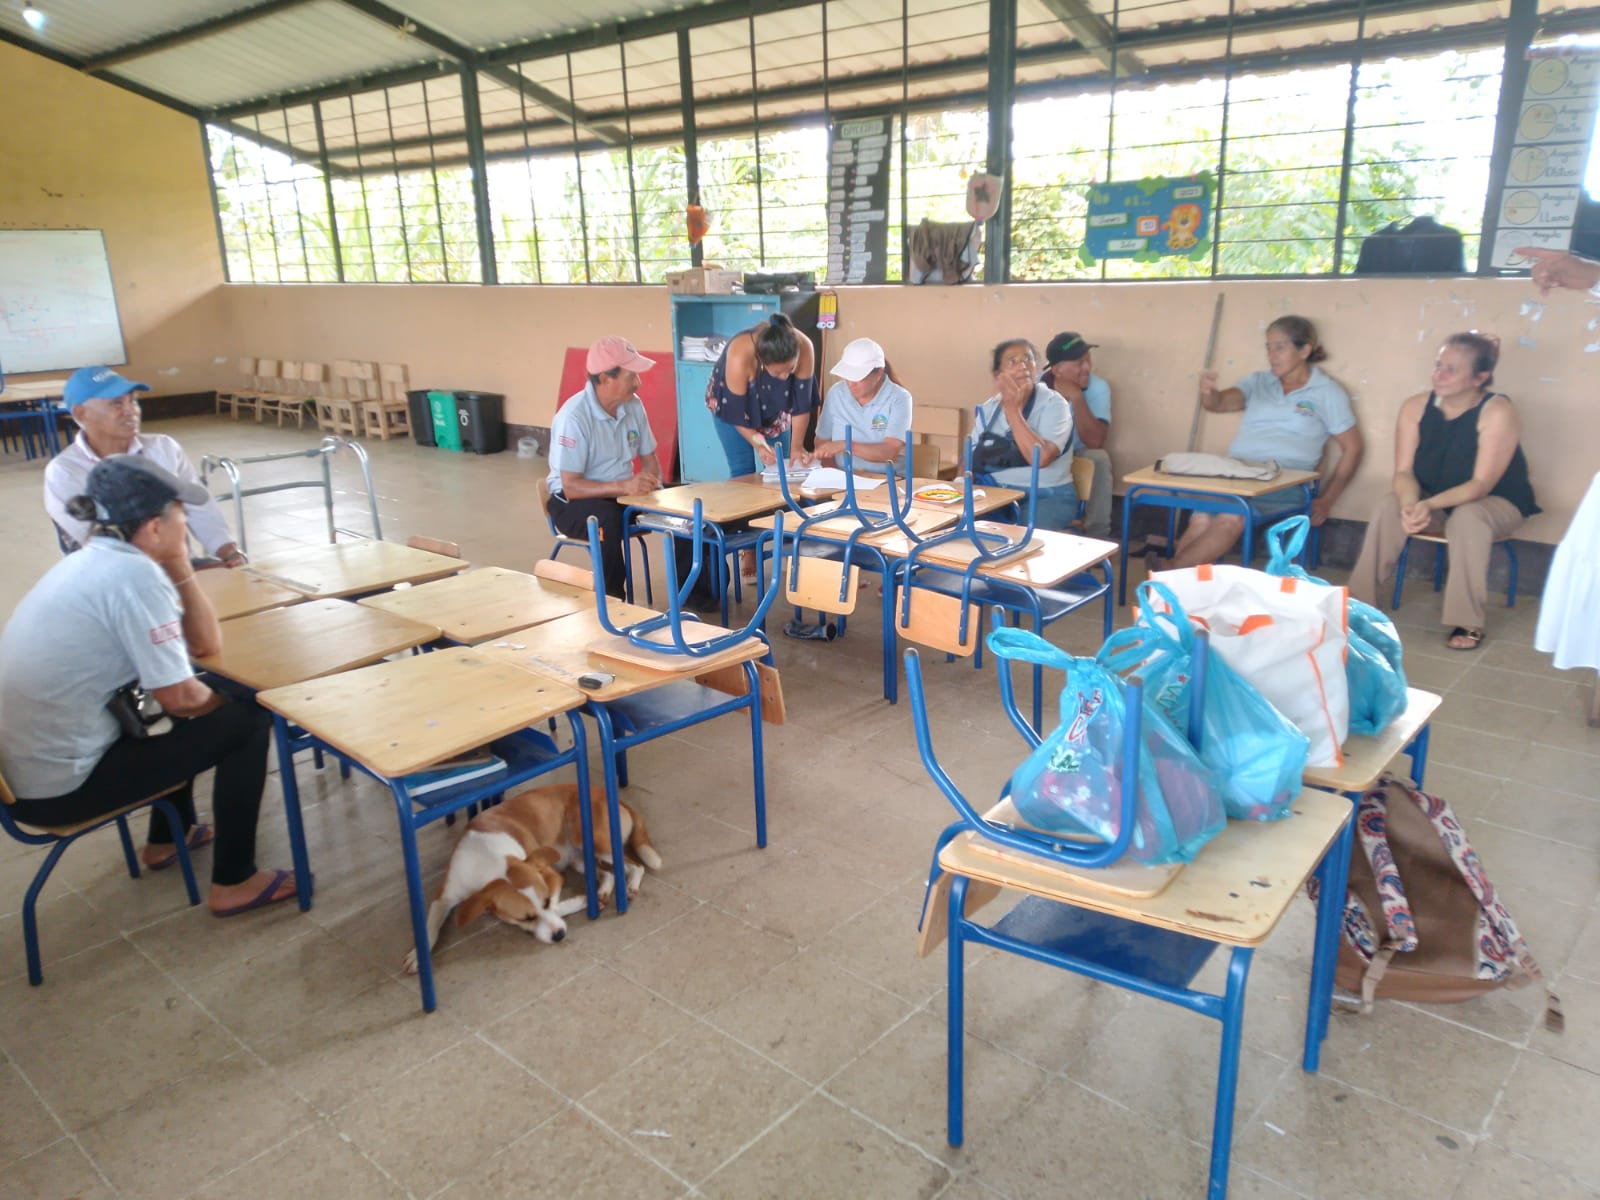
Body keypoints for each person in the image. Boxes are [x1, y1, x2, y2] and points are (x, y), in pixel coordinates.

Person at [0, 456, 297, 917]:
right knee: (247, 719)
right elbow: (183, 699)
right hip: (59, 790)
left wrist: (178, 562)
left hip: (27, 776)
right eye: (180, 513)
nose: (187, 524)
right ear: (154, 527)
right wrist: (227, 702)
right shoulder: (135, 578)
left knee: (190, 707)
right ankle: (234, 879)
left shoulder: (92, 560)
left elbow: (202, 647)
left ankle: (166, 840)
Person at [1347, 333, 1538, 651]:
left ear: (1480, 377)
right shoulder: (1415, 407)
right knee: (1389, 506)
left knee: (1468, 518)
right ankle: (1359, 602)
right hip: (1433, 498)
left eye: (1451, 369)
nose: (1439, 375)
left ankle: (1467, 620)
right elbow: (1404, 472)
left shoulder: (1497, 411)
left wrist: (1429, 504)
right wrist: (1411, 504)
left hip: (1496, 501)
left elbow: (1481, 484)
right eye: (1438, 365)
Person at [1154, 315, 1363, 570]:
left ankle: (1168, 575)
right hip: (1237, 473)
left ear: (1304, 350)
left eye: (1280, 347)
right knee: (1201, 518)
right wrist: (1209, 393)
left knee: (1232, 516)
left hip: (1285, 482)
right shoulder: (1258, 382)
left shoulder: (1327, 392)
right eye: (1268, 347)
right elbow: (1219, 404)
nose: (1271, 355)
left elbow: (1353, 448)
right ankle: (1171, 579)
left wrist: (1327, 500)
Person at [547, 336, 716, 606]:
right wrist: (625, 486)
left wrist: (652, 482)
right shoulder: (574, 417)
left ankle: (694, 592)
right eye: (631, 376)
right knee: (606, 520)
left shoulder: (632, 405)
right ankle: (613, 601)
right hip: (573, 502)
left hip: (622, 494)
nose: (638, 382)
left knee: (688, 502)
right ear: (605, 378)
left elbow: (649, 458)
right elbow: (570, 486)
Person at [44, 366, 245, 565]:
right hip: (116, 573)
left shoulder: (163, 447)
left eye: (133, 401)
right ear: (81, 414)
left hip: (181, 564)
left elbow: (199, 508)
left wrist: (228, 552)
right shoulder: (65, 471)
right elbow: (99, 546)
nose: (131, 411)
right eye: (117, 403)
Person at [968, 339, 1078, 530]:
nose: (1022, 365)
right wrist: (961, 486)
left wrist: (1013, 410)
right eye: (1012, 361)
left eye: (1028, 359)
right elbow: (970, 459)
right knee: (959, 531)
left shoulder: (1055, 404)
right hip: (997, 496)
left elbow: (1040, 458)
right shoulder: (989, 409)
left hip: (1046, 495)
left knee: (1018, 540)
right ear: (999, 375)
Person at [704, 312, 817, 475]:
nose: (785, 377)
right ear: (762, 361)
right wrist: (760, 445)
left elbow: (801, 405)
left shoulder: (804, 347)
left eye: (790, 369)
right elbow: (735, 414)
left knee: (782, 466)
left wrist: (797, 446)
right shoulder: (740, 356)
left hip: (775, 408)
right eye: (777, 373)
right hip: (733, 408)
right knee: (742, 469)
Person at [1040, 331, 1113, 537]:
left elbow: (1095, 441)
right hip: (1042, 453)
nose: (1087, 368)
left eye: (1088, 360)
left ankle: (1098, 536)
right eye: (1079, 363)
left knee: (1099, 458)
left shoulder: (1098, 387)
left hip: (1076, 451)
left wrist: (1077, 397)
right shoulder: (1036, 387)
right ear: (1056, 370)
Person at [808, 337, 912, 474]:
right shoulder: (836, 393)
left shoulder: (899, 398)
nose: (851, 383)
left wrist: (846, 445)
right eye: (847, 376)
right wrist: (835, 473)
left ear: (879, 373)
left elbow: (889, 452)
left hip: (888, 479)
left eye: (858, 378)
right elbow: (822, 441)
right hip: (843, 476)